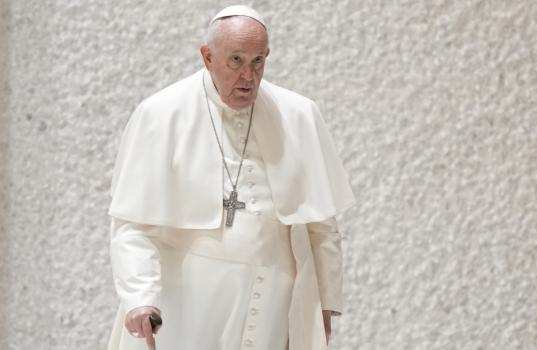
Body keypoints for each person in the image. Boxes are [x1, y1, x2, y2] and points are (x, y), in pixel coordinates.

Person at [106, 5, 354, 350]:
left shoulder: (299, 115)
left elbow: (322, 226)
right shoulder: (161, 114)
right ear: (207, 57)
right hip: (186, 299)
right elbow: (132, 225)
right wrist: (139, 297)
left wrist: (326, 304)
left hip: (271, 298)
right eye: (235, 60)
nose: (248, 76)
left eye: (258, 61)